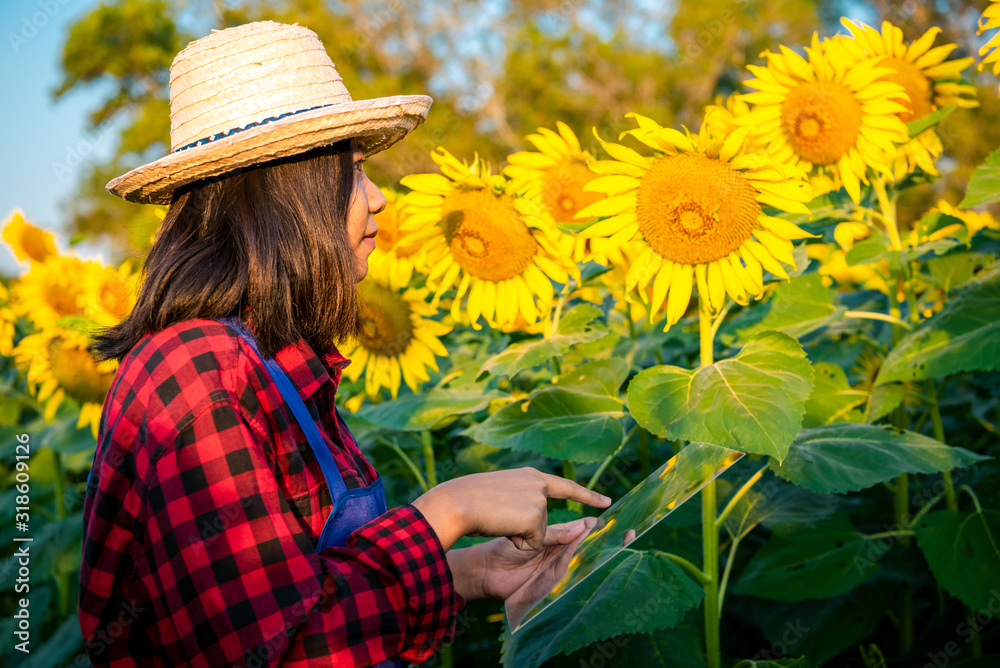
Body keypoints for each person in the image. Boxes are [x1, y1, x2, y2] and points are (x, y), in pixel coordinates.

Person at [79, 20, 614, 667]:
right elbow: (285, 651)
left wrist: (473, 572)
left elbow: (313, 592)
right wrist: (446, 511)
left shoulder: (277, 364)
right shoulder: (195, 373)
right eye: (355, 172)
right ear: (289, 189)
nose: (379, 198)